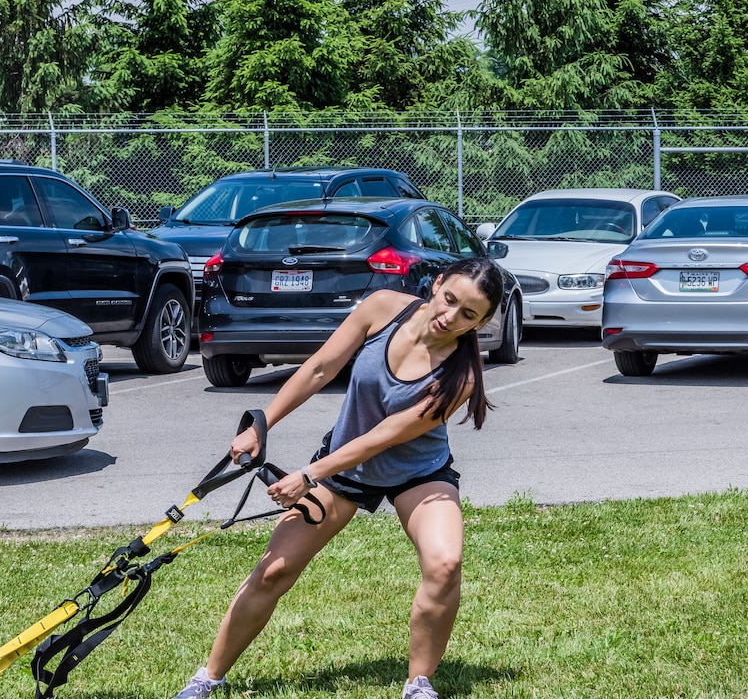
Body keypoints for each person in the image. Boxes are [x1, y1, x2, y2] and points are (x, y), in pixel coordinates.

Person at [172, 257, 505, 699]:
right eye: (449, 300)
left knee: (445, 564)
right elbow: (318, 368)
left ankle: (418, 685)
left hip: (417, 472)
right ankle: (208, 678)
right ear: (438, 283)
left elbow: (385, 436)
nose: (450, 317)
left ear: (482, 322)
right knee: (274, 570)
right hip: (344, 466)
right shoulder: (383, 306)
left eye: (469, 315)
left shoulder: (460, 375)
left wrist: (308, 475)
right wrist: (260, 425)